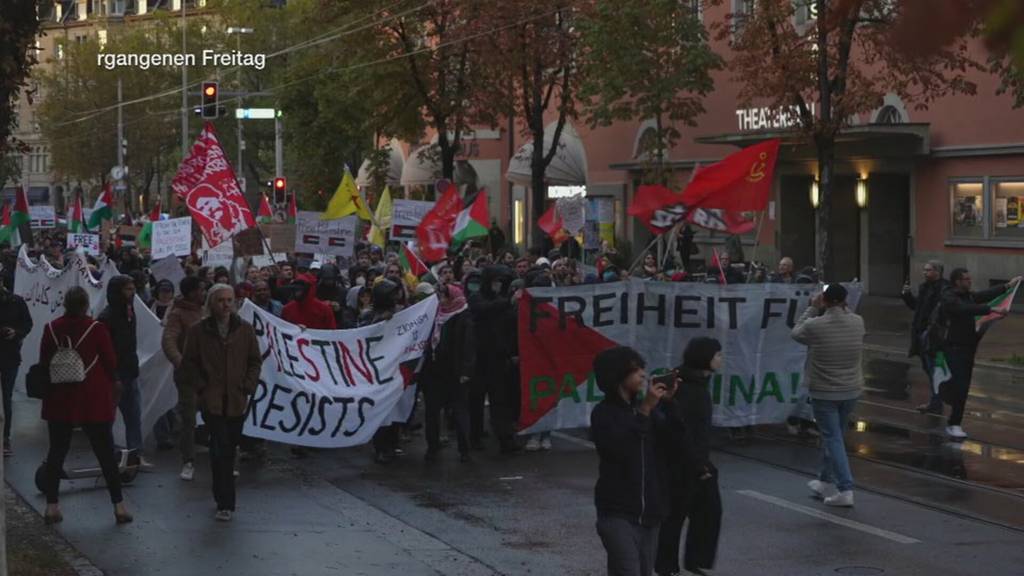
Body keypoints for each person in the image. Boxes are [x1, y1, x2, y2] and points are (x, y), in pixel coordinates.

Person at [39, 287, 133, 525]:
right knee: (105, 453)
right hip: (92, 397)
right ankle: (119, 506)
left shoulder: (51, 328)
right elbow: (110, 360)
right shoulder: (96, 328)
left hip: (60, 398)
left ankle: (52, 506)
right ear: (85, 305)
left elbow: (44, 361)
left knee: (56, 452)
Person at [180, 284, 262, 522]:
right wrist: (202, 388)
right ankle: (225, 501)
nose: (226, 305)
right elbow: (189, 364)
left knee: (229, 449)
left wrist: (248, 385)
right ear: (211, 303)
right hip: (213, 401)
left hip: (236, 400)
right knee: (220, 450)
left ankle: (225, 498)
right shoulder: (198, 331)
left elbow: (254, 361)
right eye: (221, 300)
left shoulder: (245, 330)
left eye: (230, 300)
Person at [591, 346, 669, 576]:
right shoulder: (604, 413)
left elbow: (675, 442)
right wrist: (645, 411)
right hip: (617, 511)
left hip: (650, 512)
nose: (644, 375)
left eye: (643, 369)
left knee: (645, 571)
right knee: (627, 570)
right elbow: (618, 450)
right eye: (636, 371)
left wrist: (669, 404)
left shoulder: (648, 409)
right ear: (618, 375)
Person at [791, 284, 865, 507]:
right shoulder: (858, 321)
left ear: (824, 300)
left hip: (825, 391)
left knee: (832, 437)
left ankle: (845, 488)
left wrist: (813, 308)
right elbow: (847, 316)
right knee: (836, 436)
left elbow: (795, 333)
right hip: (851, 389)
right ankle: (824, 480)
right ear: (845, 301)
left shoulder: (816, 325)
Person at [656, 338, 723, 576]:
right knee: (675, 516)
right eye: (717, 355)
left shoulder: (693, 382)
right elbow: (682, 431)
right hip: (683, 463)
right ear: (705, 357)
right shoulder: (689, 388)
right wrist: (698, 465)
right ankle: (667, 566)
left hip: (695, 459)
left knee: (707, 510)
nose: (720, 359)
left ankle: (693, 560)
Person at [938, 270, 1021, 439]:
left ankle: (954, 421)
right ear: (957, 282)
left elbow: (984, 295)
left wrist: (1007, 286)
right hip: (953, 348)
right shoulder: (949, 297)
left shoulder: (968, 296)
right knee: (958, 386)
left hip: (968, 348)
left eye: (970, 279)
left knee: (963, 387)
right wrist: (991, 309)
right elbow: (963, 309)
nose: (969, 282)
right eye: (966, 280)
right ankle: (952, 419)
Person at [98, 275, 148, 467]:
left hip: (129, 372)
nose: (133, 292)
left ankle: (135, 455)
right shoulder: (106, 317)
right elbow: (105, 351)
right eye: (128, 289)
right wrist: (114, 376)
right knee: (108, 418)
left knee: (133, 417)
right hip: (114, 377)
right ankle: (108, 456)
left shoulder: (130, 311)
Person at [423, 284, 475, 463]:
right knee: (432, 412)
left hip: (455, 372)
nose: (441, 300)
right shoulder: (434, 315)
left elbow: (469, 346)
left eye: (445, 297)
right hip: (434, 372)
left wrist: (466, 371)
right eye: (440, 297)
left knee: (460, 412)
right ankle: (432, 447)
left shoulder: (463, 317)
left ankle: (465, 450)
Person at [162, 276, 207, 482]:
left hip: (212, 375)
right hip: (189, 376)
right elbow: (169, 340)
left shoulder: (208, 310)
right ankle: (188, 460)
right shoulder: (177, 314)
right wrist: (180, 362)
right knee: (189, 418)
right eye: (200, 289)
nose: (204, 292)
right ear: (191, 292)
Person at [901, 260, 948, 414]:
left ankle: (936, 402)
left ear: (937, 272)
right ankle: (937, 400)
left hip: (933, 336)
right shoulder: (924, 287)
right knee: (928, 368)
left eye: (928, 270)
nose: (924, 273)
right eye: (924, 270)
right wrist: (907, 296)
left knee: (934, 369)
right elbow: (917, 307)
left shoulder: (943, 288)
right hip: (921, 335)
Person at [366, 280, 403, 463]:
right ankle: (380, 447)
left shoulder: (401, 313)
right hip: (377, 369)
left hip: (395, 367)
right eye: (391, 295)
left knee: (395, 409)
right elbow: (362, 336)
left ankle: (392, 444)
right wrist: (381, 321)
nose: (395, 298)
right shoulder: (369, 315)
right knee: (381, 410)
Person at [0, 281, 32, 456]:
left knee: (6, 399)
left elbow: (27, 323)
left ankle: (5, 438)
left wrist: (16, 333)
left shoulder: (16, 302)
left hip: (9, 356)